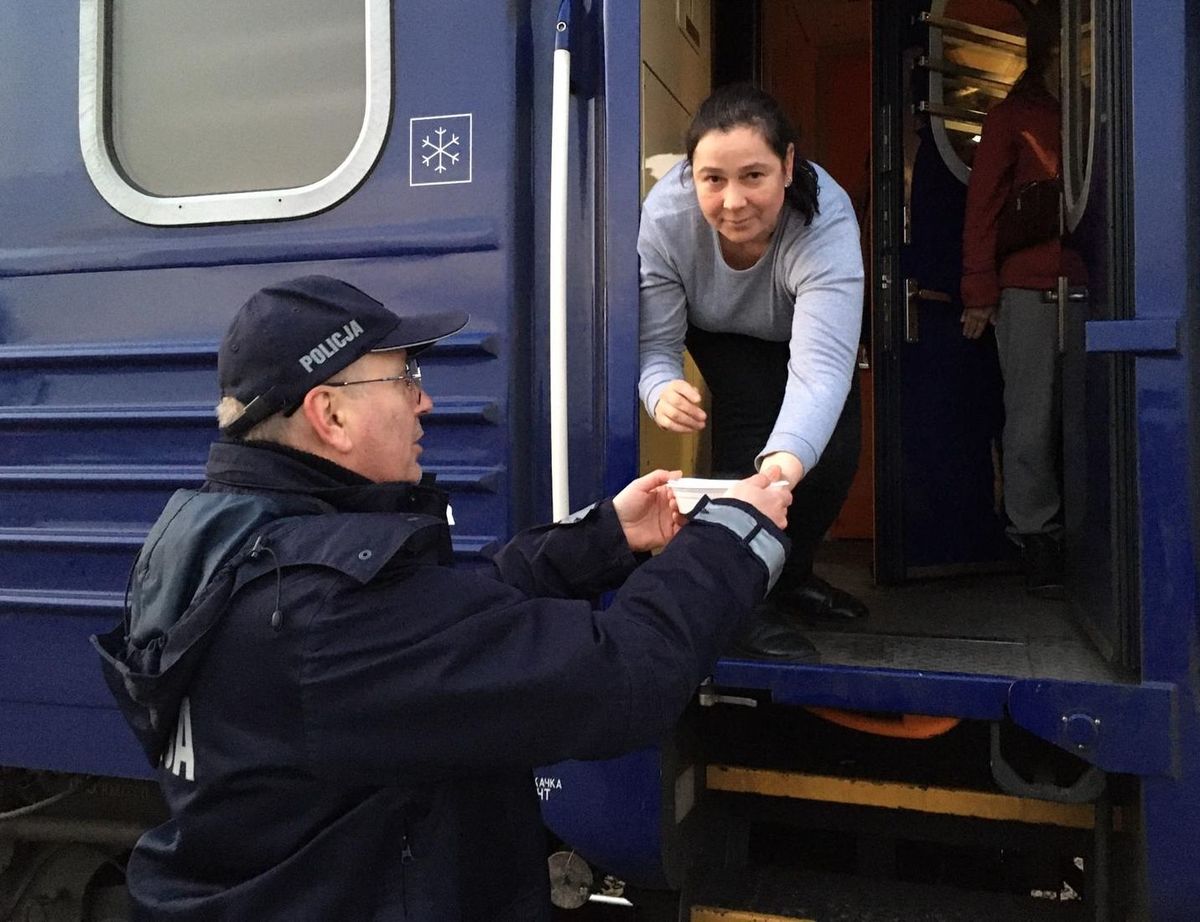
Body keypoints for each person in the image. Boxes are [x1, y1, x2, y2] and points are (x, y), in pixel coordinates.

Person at [92, 275, 792, 921]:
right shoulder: (325, 611)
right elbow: (620, 677)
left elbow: (438, 617)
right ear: (330, 414)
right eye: (404, 376)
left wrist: (604, 537)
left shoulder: (220, 537)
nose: (424, 399)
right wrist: (733, 538)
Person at [638, 83, 867, 660]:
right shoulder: (665, 218)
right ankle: (738, 603)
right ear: (692, 175)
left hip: (798, 333)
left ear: (788, 165)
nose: (733, 202)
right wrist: (660, 389)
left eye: (754, 176)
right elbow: (657, 347)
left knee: (831, 451)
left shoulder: (827, 220)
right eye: (713, 179)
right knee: (748, 440)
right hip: (717, 330)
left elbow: (819, 374)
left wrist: (783, 470)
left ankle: (789, 576)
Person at [960, 0, 1085, 596]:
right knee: (1032, 419)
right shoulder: (1012, 117)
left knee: (1089, 416)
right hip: (1029, 290)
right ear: (1048, 54)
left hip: (1090, 286)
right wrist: (980, 291)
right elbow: (982, 207)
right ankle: (1037, 535)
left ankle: (1089, 532)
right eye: (1065, 49)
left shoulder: (1093, 115)